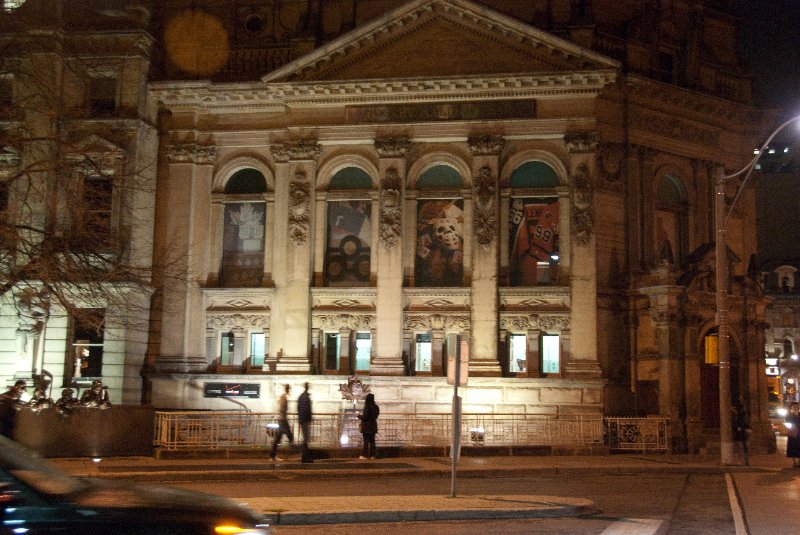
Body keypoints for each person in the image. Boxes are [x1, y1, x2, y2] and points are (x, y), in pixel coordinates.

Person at [269, 384, 293, 462]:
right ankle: (295, 452)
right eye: (289, 389)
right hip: (283, 420)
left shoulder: (283, 397)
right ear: (288, 389)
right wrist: (285, 417)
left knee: (278, 438)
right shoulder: (284, 397)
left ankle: (272, 456)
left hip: (282, 419)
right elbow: (283, 409)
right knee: (289, 436)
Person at [357, 393, 380, 459]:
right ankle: (373, 455)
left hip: (367, 426)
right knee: (372, 442)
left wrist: (358, 415)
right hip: (373, 425)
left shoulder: (367, 406)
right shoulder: (376, 407)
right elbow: (376, 416)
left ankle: (364, 455)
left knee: (366, 441)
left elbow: (365, 417)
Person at [297, 382, 313, 463]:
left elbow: (299, 408)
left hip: (303, 419)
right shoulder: (305, 397)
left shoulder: (302, 396)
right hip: (305, 420)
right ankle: (305, 457)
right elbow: (307, 410)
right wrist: (309, 418)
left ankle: (305, 456)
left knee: (305, 438)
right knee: (306, 438)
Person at [732, 399, 750, 466]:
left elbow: (739, 425)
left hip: (740, 434)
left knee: (740, 448)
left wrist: (739, 428)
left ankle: (742, 461)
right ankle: (745, 461)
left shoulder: (739, 415)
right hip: (743, 434)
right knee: (744, 448)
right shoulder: (743, 414)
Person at [786, 402, 800, 468]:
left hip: (799, 433)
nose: (795, 408)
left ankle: (799, 462)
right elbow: (788, 423)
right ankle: (795, 462)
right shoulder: (789, 416)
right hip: (793, 433)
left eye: (796, 407)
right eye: (793, 407)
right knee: (792, 447)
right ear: (791, 408)